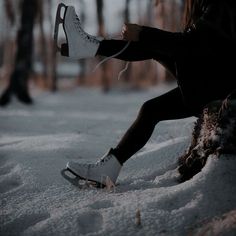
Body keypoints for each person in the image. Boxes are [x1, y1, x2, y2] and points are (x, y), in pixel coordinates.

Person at [54, 0, 236, 186]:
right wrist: (145, 35)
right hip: (214, 81)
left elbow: (189, 45)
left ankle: (87, 46)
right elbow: (192, 45)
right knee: (151, 109)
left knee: (152, 45)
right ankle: (108, 170)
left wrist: (143, 33)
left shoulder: (222, 5)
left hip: (224, 89)